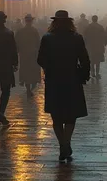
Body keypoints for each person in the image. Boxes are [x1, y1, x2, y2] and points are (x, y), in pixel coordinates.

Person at [38, 10, 90, 161]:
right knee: (71, 116)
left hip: (54, 80)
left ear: (54, 22)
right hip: (72, 79)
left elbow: (40, 59)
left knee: (57, 116)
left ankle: (62, 144)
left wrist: (49, 68)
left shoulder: (47, 38)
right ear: (69, 23)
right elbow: (85, 60)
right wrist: (83, 75)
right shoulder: (77, 38)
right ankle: (66, 143)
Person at [15, 13, 41, 96]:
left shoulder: (20, 31)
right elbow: (38, 43)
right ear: (31, 21)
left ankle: (28, 88)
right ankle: (31, 87)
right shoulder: (35, 31)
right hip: (33, 54)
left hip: (24, 54)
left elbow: (16, 43)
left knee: (25, 71)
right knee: (33, 71)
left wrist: (17, 52)